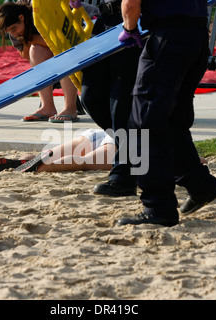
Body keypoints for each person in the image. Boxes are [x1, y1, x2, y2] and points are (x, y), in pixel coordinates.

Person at [115, 0, 216, 227]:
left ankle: (158, 206)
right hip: (196, 35)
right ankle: (199, 184)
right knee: (172, 120)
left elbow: (131, 4)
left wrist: (129, 29)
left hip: (166, 38)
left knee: (143, 125)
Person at [70, 0, 142, 197]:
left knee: (121, 102)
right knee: (90, 96)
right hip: (105, 19)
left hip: (131, 17)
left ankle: (123, 175)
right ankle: (138, 153)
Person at [0, 1, 81, 123]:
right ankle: (47, 107)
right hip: (58, 48)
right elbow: (25, 54)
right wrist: (28, 38)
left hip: (79, 39)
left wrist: (32, 38)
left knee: (62, 53)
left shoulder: (40, 13)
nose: (14, 33)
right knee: (36, 51)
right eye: (9, 32)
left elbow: (59, 41)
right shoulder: (16, 31)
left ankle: (70, 108)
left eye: (14, 29)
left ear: (21, 18)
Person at [0, 128, 116, 173]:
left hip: (98, 132)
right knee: (83, 161)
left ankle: (27, 161)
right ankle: (37, 167)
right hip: (122, 137)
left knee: (52, 154)